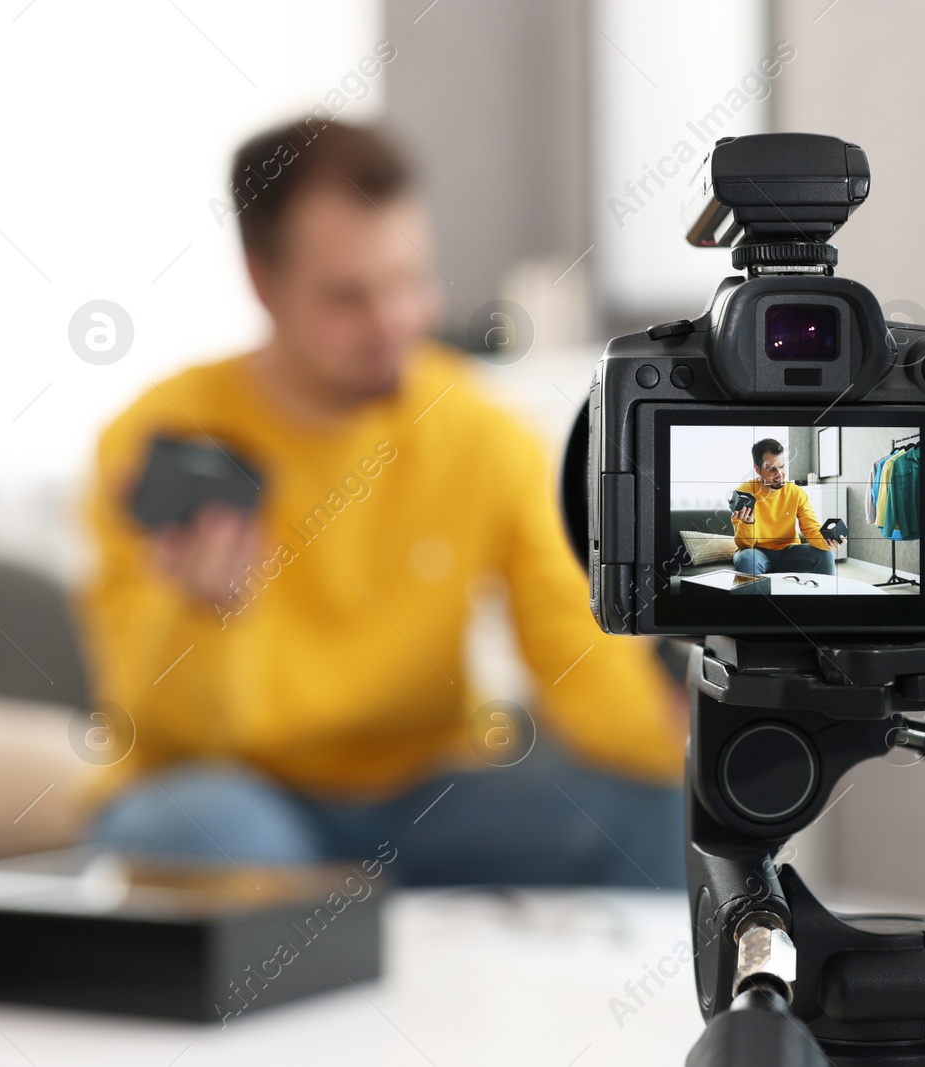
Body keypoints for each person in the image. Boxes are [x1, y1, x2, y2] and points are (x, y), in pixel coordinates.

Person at [80, 119, 686, 889]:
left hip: (427, 791)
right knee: (189, 834)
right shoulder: (154, 437)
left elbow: (573, 644)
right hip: (242, 794)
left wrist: (683, 742)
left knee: (662, 806)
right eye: (348, 297)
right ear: (263, 283)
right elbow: (149, 722)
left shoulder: (480, 432)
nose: (394, 321)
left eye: (410, 280)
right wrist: (203, 614)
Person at [729, 438, 845, 575]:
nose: (779, 474)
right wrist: (748, 524)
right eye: (771, 469)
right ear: (757, 469)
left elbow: (811, 528)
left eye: (782, 466)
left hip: (789, 552)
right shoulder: (745, 492)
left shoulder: (796, 492)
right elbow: (744, 546)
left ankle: (824, 596)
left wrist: (826, 541)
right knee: (746, 557)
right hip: (758, 553)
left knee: (826, 554)